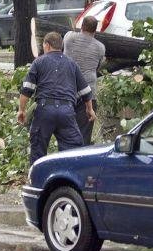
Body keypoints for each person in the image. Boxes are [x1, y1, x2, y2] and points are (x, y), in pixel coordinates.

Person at [17, 32, 96, 164]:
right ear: (61, 46)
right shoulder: (72, 64)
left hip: (44, 111)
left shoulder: (38, 62)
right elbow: (86, 90)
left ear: (47, 45)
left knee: (38, 148)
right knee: (71, 150)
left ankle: (39, 180)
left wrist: (22, 110)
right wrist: (90, 109)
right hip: (67, 111)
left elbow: (27, 89)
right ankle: (67, 178)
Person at [63, 16, 106, 145]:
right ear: (95, 30)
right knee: (85, 131)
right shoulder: (100, 47)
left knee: (66, 130)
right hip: (88, 92)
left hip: (68, 89)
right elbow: (99, 66)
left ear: (82, 26)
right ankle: (82, 152)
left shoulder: (70, 37)